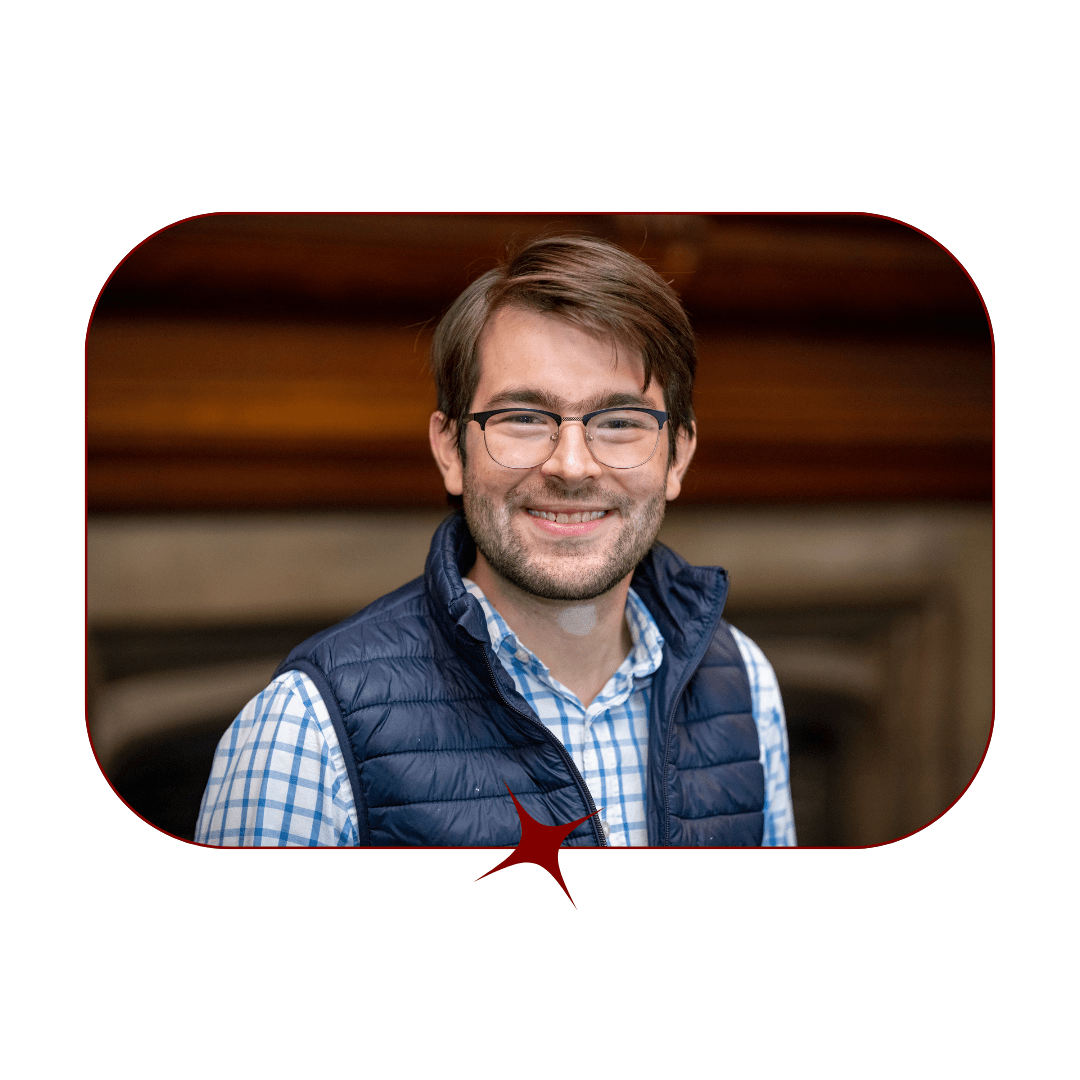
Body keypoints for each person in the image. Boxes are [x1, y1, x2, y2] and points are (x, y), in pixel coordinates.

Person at [195, 234, 796, 848]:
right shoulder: (307, 730)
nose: (571, 465)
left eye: (618, 422)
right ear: (451, 450)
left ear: (677, 458)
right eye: (524, 418)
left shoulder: (743, 684)